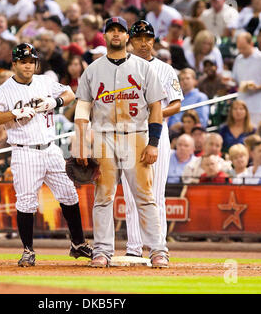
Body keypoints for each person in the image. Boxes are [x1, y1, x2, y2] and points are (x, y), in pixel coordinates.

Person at [0, 43, 93, 267]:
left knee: (69, 195)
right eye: (23, 62)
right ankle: (28, 250)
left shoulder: (44, 81)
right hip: (24, 151)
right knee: (26, 202)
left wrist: (55, 101)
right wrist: (13, 113)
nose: (28, 66)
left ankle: (78, 243)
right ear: (14, 64)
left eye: (31, 62)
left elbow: (70, 93)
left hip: (50, 148)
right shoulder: (4, 90)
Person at [74, 17, 167, 268]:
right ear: (104, 36)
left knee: (145, 196)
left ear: (127, 36)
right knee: (103, 197)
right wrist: (81, 144)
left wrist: (154, 142)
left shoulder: (144, 68)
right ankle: (102, 251)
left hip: (136, 135)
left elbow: (156, 108)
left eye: (120, 30)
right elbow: (82, 109)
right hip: (104, 137)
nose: (116, 34)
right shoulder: (92, 70)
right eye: (111, 30)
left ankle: (158, 249)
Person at [120, 20, 183, 262]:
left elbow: (176, 104)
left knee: (156, 194)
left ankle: (158, 248)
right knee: (130, 193)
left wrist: (154, 112)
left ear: (153, 40)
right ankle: (134, 247)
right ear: (131, 41)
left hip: (158, 132)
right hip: (129, 133)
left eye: (148, 38)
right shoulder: (121, 67)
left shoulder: (165, 69)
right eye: (139, 38)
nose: (144, 42)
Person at [232, 32, 261, 126]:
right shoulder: (238, 59)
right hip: (242, 105)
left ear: (251, 44)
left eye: (243, 48)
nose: (241, 51)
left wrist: (258, 87)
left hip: (258, 106)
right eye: (239, 48)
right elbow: (235, 80)